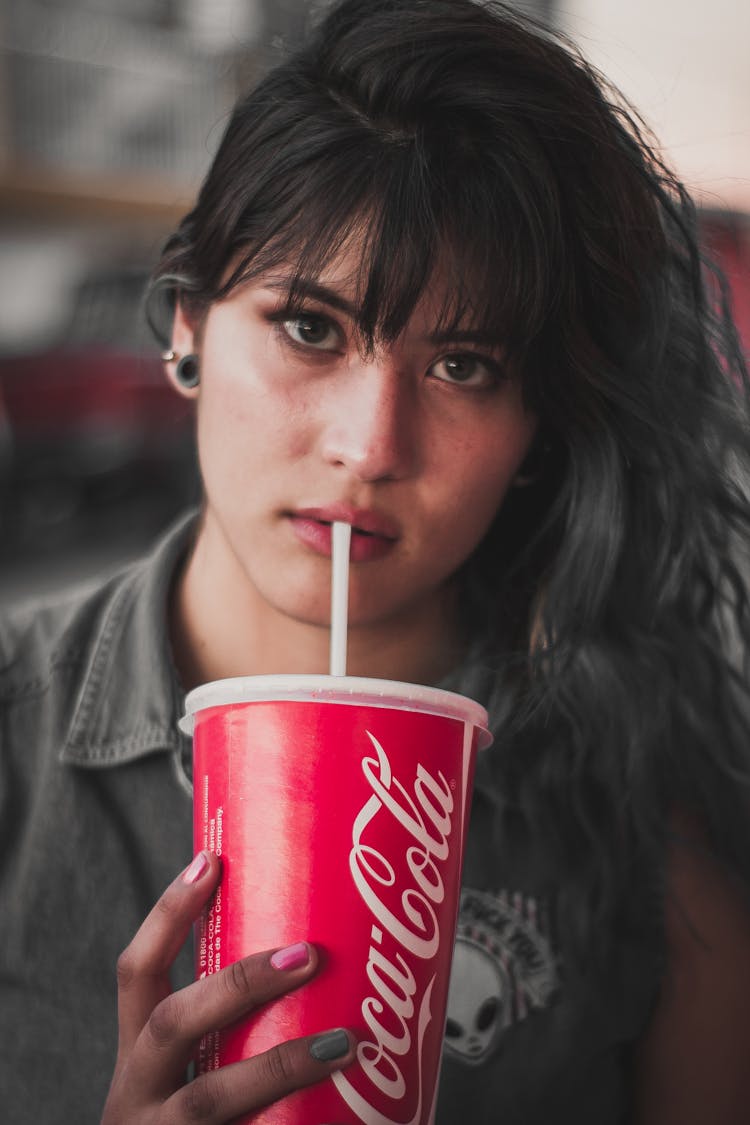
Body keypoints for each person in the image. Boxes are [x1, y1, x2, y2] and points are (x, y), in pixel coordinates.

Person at [1, 0, 749, 1121]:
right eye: (310, 326)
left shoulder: (651, 800)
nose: (371, 446)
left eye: (464, 365)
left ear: (539, 425)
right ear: (189, 327)